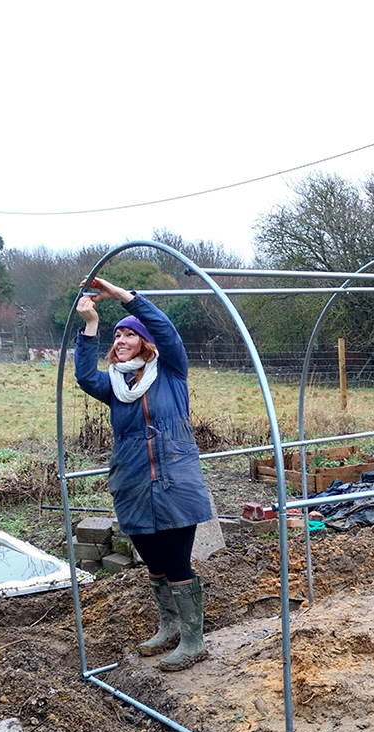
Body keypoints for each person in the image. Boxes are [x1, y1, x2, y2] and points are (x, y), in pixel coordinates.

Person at [74, 277, 213, 671]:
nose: (119, 340)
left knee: (177, 560)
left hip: (175, 480)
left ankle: (193, 639)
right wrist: (90, 326)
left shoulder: (171, 371)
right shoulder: (115, 387)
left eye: (127, 334)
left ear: (145, 342)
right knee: (152, 562)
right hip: (133, 482)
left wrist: (123, 298)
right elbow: (85, 377)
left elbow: (167, 330)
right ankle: (169, 626)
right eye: (115, 336)